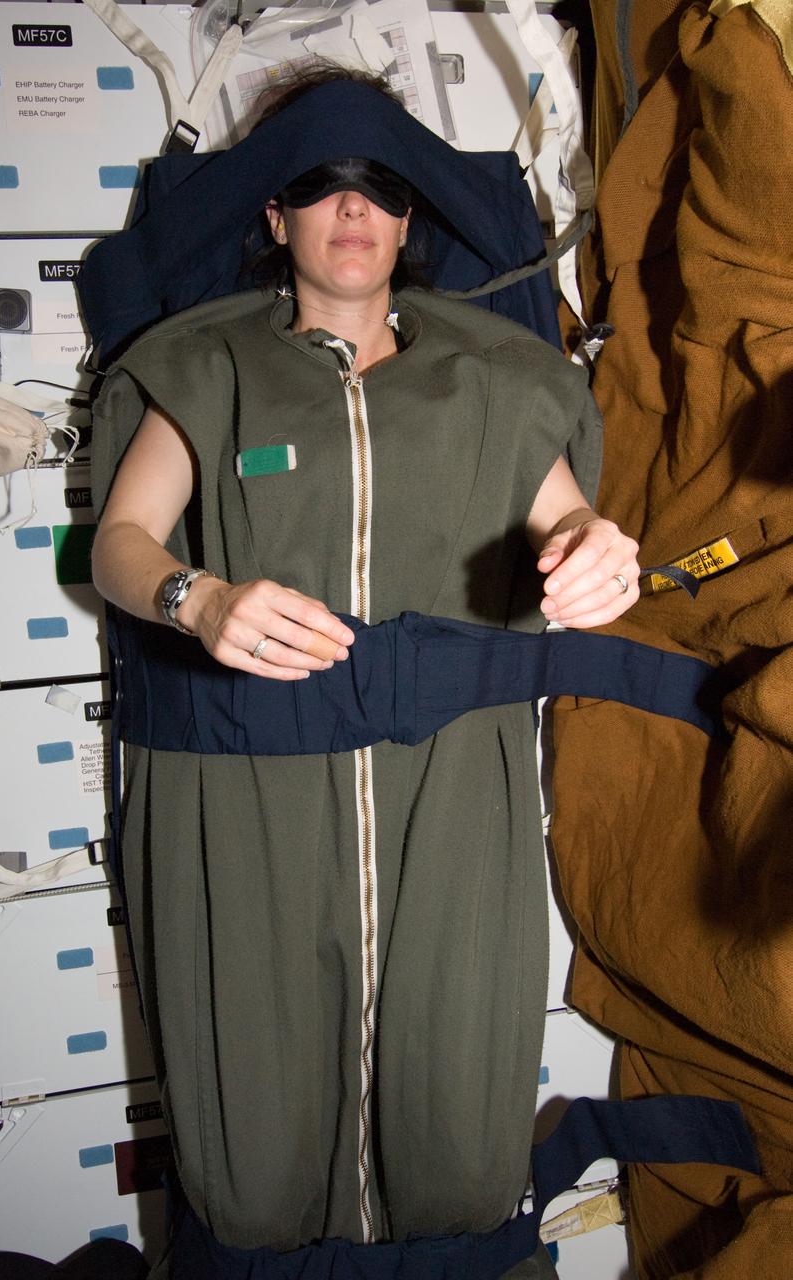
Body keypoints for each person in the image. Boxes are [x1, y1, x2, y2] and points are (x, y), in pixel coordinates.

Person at [89, 69, 639, 1278]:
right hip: (243, 814)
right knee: (258, 1123)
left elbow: (576, 526)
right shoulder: (209, 373)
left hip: (456, 804)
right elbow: (121, 544)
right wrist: (201, 595)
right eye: (320, 183)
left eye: (380, 185)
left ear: (411, 218)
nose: (353, 209)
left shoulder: (494, 383)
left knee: (455, 1123)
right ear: (274, 215)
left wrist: (599, 556)